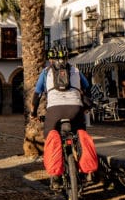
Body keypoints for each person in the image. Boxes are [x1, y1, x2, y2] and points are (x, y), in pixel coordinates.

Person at [31, 46, 97, 190]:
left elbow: (37, 95)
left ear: (50, 59)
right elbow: (87, 88)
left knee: (50, 138)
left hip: (54, 111)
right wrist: (85, 106)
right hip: (76, 109)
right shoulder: (76, 70)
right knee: (80, 135)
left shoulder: (46, 72)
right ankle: (86, 174)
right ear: (68, 58)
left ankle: (55, 178)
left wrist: (33, 113)